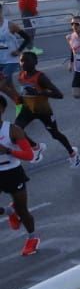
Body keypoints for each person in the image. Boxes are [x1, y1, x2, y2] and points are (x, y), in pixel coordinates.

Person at [13, 52, 79, 166]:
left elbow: (59, 95)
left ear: (35, 62)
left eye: (26, 61)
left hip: (43, 111)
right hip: (27, 109)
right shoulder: (21, 75)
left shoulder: (41, 77)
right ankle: (36, 147)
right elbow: (23, 92)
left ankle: (72, 153)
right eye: (21, 60)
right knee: (16, 130)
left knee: (55, 134)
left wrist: (39, 92)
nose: (23, 63)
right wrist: (19, 102)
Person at [0, 108, 39, 256]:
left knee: (22, 210)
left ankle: (32, 238)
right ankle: (9, 211)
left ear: (2, 110)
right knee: (17, 208)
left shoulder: (13, 130)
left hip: (13, 173)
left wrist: (7, 151)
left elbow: (29, 155)